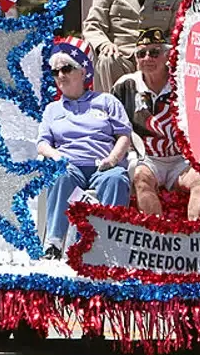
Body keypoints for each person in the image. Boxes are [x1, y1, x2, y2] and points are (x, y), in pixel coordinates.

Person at [38, 50, 133, 260]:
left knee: (116, 179)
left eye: (66, 69)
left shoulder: (106, 101)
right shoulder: (52, 109)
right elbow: (42, 143)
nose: (60, 75)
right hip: (69, 165)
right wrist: (55, 156)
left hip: (103, 164)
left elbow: (124, 136)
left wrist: (114, 159)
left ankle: (108, 245)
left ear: (82, 72)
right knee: (60, 175)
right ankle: (53, 243)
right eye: (55, 72)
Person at [112, 28, 200, 219]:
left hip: (181, 158)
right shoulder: (125, 85)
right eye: (141, 54)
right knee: (140, 178)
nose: (147, 58)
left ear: (168, 56)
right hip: (147, 158)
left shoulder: (184, 83)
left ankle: (194, 235)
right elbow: (113, 127)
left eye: (154, 53)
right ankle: (157, 238)